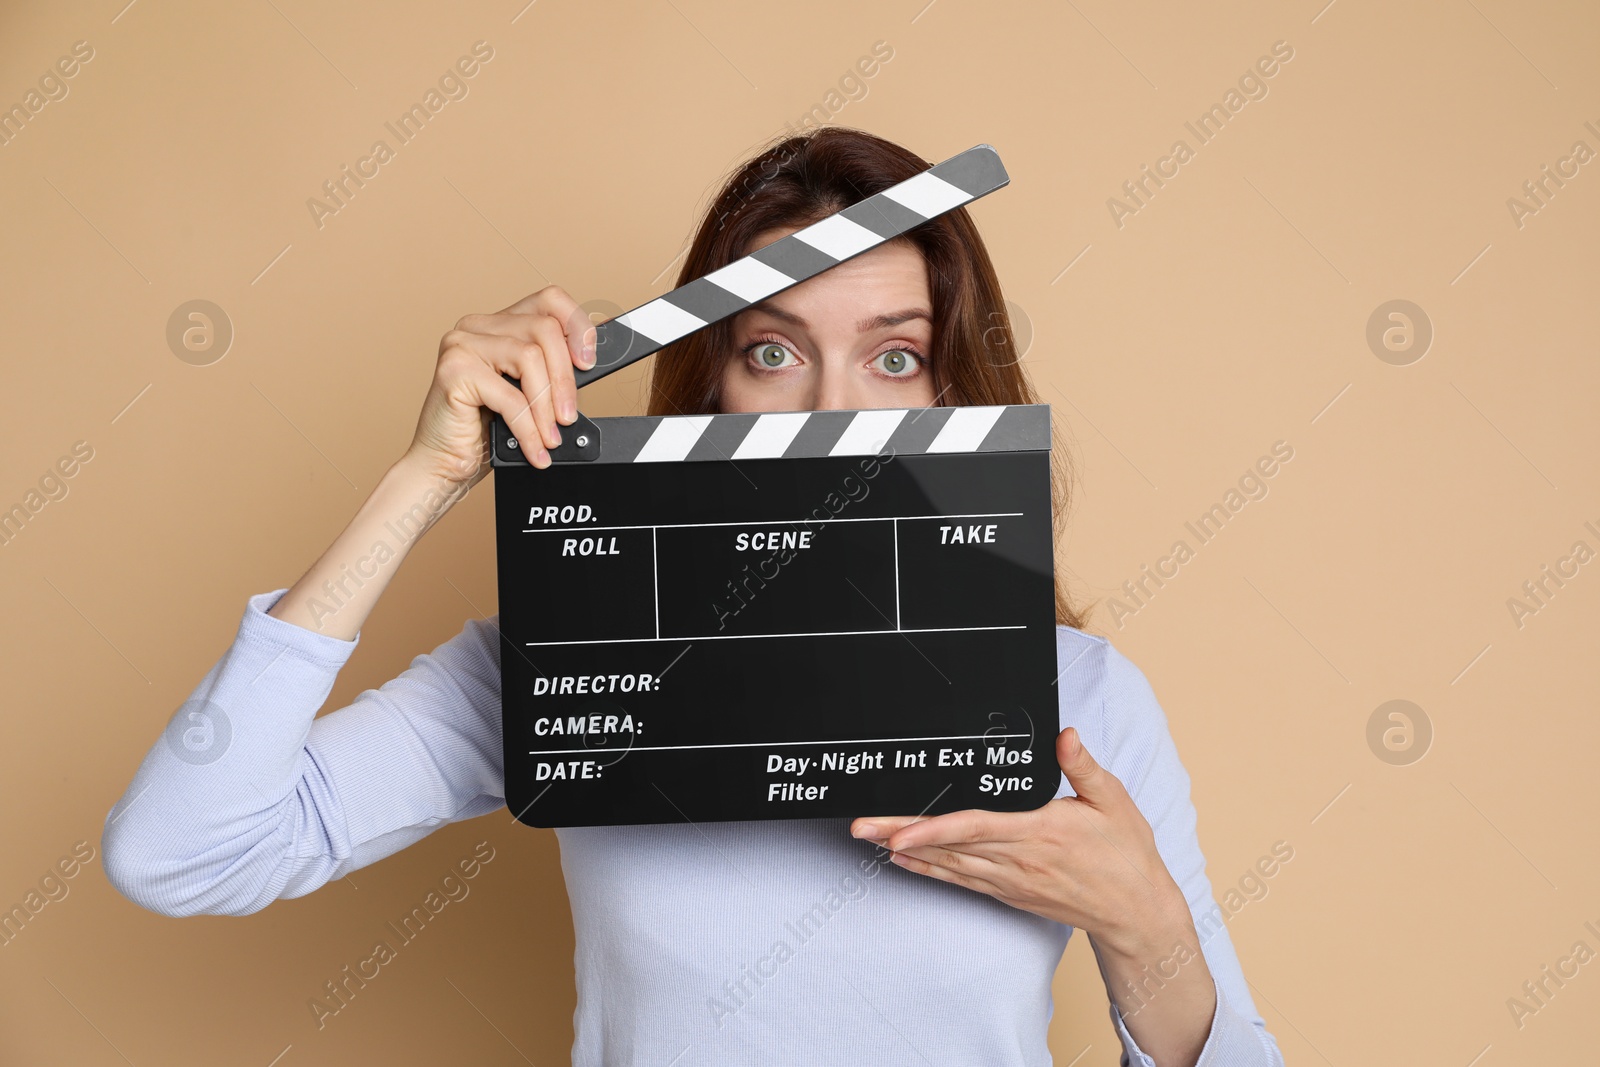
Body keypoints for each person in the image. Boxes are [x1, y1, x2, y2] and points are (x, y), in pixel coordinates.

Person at [102, 127, 1285, 1067]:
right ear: (709, 383)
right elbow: (184, 851)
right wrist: (425, 476)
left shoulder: (1079, 700)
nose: (834, 407)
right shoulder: (568, 660)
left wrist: (1146, 928)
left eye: (893, 352)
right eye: (774, 351)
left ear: (950, 389)